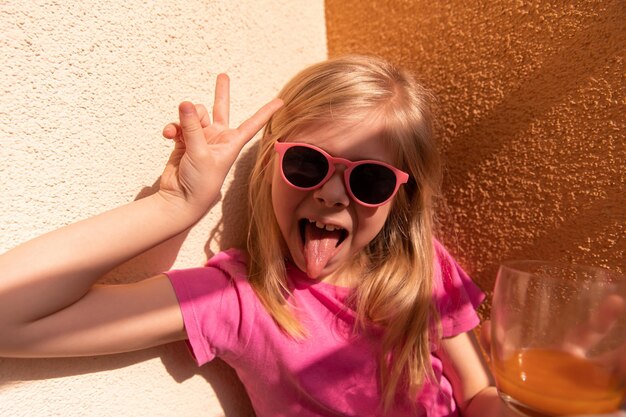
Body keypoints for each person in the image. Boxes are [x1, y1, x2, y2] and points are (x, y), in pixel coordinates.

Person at [0, 55, 533, 416]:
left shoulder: (422, 268)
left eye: (368, 179)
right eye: (307, 164)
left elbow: (477, 387)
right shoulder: (237, 299)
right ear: (269, 167)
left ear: (400, 197)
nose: (331, 194)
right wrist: (175, 207)